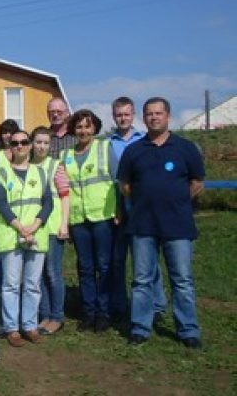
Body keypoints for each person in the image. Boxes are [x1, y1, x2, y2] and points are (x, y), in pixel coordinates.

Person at [119, 97, 204, 349]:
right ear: (143, 118)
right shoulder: (133, 150)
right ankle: (140, 327)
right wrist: (147, 200)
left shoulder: (185, 148)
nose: (154, 117)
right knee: (141, 280)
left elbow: (197, 182)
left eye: (158, 113)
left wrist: (175, 200)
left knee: (182, 279)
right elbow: (124, 185)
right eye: (149, 114)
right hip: (143, 225)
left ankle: (188, 329)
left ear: (168, 115)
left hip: (177, 225)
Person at [108, 97, 167, 323]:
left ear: (133, 116)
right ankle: (119, 303)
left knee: (147, 259)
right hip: (116, 207)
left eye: (126, 114)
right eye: (118, 115)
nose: (122, 118)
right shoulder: (107, 143)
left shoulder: (145, 141)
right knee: (117, 258)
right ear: (113, 116)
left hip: (141, 207)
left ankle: (157, 304)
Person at [0, 130, 53, 347]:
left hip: (36, 235)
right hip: (11, 235)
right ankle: (11, 328)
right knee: (10, 284)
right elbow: (1, 204)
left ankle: (29, 325)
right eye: (15, 142)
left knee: (32, 284)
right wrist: (21, 229)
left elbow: (48, 203)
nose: (19, 146)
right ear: (10, 147)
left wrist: (34, 227)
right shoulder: (1, 173)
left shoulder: (41, 172)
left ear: (29, 146)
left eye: (23, 142)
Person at [61, 109, 118, 333]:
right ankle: (89, 313)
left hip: (102, 216)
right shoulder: (66, 155)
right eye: (79, 126)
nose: (83, 130)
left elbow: (117, 181)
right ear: (74, 130)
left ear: (94, 128)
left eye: (87, 126)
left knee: (104, 266)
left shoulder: (105, 148)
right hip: (78, 219)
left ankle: (104, 313)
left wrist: (120, 211)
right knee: (85, 268)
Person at [32, 127, 70, 335]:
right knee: (39, 274)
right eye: (38, 142)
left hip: (53, 227)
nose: (42, 146)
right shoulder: (27, 166)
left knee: (53, 273)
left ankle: (57, 316)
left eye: (46, 143)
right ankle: (44, 314)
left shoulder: (56, 166)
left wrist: (64, 224)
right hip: (36, 228)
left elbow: (65, 195)